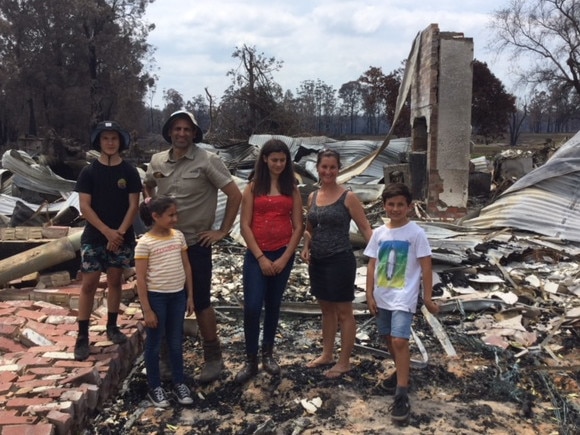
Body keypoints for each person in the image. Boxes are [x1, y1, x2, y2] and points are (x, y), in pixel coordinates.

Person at [143, 110, 242, 383]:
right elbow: (148, 185)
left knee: (200, 302)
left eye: (187, 129)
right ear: (170, 132)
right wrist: (151, 205)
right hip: (164, 245)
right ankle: (164, 358)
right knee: (161, 299)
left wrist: (222, 230)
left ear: (194, 133)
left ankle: (213, 357)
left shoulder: (208, 161)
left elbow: (235, 195)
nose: (182, 133)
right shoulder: (157, 160)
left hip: (195, 243)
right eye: (177, 129)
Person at [364, 182, 439, 422]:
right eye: (391, 204)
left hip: (404, 296)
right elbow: (372, 264)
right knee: (388, 337)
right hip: (382, 295)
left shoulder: (415, 233)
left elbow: (426, 266)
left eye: (400, 205)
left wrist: (427, 297)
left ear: (408, 206)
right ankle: (402, 374)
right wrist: (369, 293)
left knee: (399, 339)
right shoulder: (379, 233)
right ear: (384, 205)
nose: (395, 209)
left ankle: (401, 394)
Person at [235, 139, 304, 383]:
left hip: (283, 254)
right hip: (257, 256)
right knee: (253, 307)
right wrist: (261, 257)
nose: (278, 164)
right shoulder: (253, 187)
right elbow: (244, 225)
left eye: (282, 160)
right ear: (265, 159)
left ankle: (268, 355)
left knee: (273, 305)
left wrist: (285, 257)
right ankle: (251, 359)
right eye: (274, 160)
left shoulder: (292, 188)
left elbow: (298, 226)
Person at [300, 149, 372, 379]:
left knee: (344, 312)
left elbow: (366, 228)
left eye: (332, 167)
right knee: (326, 310)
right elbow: (309, 229)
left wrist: (377, 256)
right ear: (318, 168)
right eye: (324, 167)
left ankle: (344, 362)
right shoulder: (312, 197)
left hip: (340, 260)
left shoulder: (347, 197)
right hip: (318, 262)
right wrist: (305, 247)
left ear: (338, 169)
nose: (328, 171)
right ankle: (327, 354)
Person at [74, 121, 142, 361]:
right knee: (89, 284)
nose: (110, 143)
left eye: (114, 138)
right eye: (106, 139)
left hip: (122, 237)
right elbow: (85, 206)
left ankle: (112, 326)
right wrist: (106, 232)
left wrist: (119, 234)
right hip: (95, 236)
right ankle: (82, 336)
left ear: (120, 142)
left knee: (115, 280)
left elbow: (134, 205)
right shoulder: (89, 172)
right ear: (99, 142)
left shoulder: (129, 172)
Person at [135, 196, 194, 407]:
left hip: (178, 296)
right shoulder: (144, 244)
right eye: (171, 215)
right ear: (155, 216)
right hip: (157, 298)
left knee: (176, 341)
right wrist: (147, 310)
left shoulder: (178, 237)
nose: (175, 219)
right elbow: (140, 279)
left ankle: (179, 383)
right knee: (154, 343)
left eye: (176, 214)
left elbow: (187, 267)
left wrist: (190, 297)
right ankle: (155, 387)